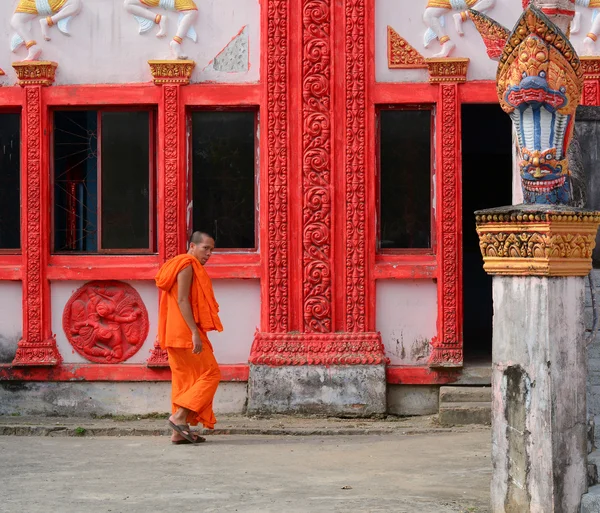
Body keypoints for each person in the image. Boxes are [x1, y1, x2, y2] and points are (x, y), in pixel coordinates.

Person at [155, 231, 223, 445]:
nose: (209, 254)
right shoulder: (186, 265)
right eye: (205, 248)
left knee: (185, 380)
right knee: (211, 373)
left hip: (173, 330)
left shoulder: (179, 264)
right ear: (192, 246)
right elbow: (183, 300)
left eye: (212, 250)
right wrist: (195, 332)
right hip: (184, 331)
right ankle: (179, 416)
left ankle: (179, 431)